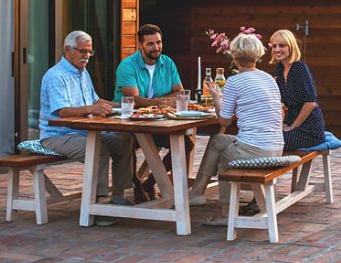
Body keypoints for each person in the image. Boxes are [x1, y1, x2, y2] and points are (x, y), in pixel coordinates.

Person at [188, 33, 284, 226]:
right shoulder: (268, 79)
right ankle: (197, 192)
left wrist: (216, 96)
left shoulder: (235, 81)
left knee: (226, 158)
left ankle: (226, 214)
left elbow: (224, 120)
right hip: (276, 147)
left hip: (255, 149)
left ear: (234, 56)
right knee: (217, 140)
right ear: (257, 55)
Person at [39, 30, 134, 207]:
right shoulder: (55, 76)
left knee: (124, 140)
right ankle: (97, 204)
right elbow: (62, 111)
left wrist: (125, 106)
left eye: (90, 52)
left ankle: (119, 195)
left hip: (82, 131)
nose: (87, 56)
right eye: (83, 51)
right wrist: (92, 109)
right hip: (57, 136)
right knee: (98, 149)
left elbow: (95, 100)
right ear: (68, 50)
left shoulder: (82, 72)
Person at [113, 24, 194, 201]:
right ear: (140, 45)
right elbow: (134, 100)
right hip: (129, 122)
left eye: (158, 42)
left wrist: (156, 104)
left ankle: (150, 182)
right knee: (126, 142)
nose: (156, 47)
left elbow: (179, 92)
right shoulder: (127, 66)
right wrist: (163, 102)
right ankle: (135, 184)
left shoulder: (168, 63)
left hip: (157, 121)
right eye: (150, 44)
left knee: (186, 143)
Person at [270, 29, 325, 151]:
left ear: (291, 47)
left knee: (273, 144)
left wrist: (292, 127)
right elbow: (281, 102)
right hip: (291, 122)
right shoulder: (279, 69)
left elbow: (310, 103)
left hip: (309, 128)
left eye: (282, 45)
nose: (277, 50)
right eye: (274, 46)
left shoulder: (299, 68)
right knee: (265, 138)